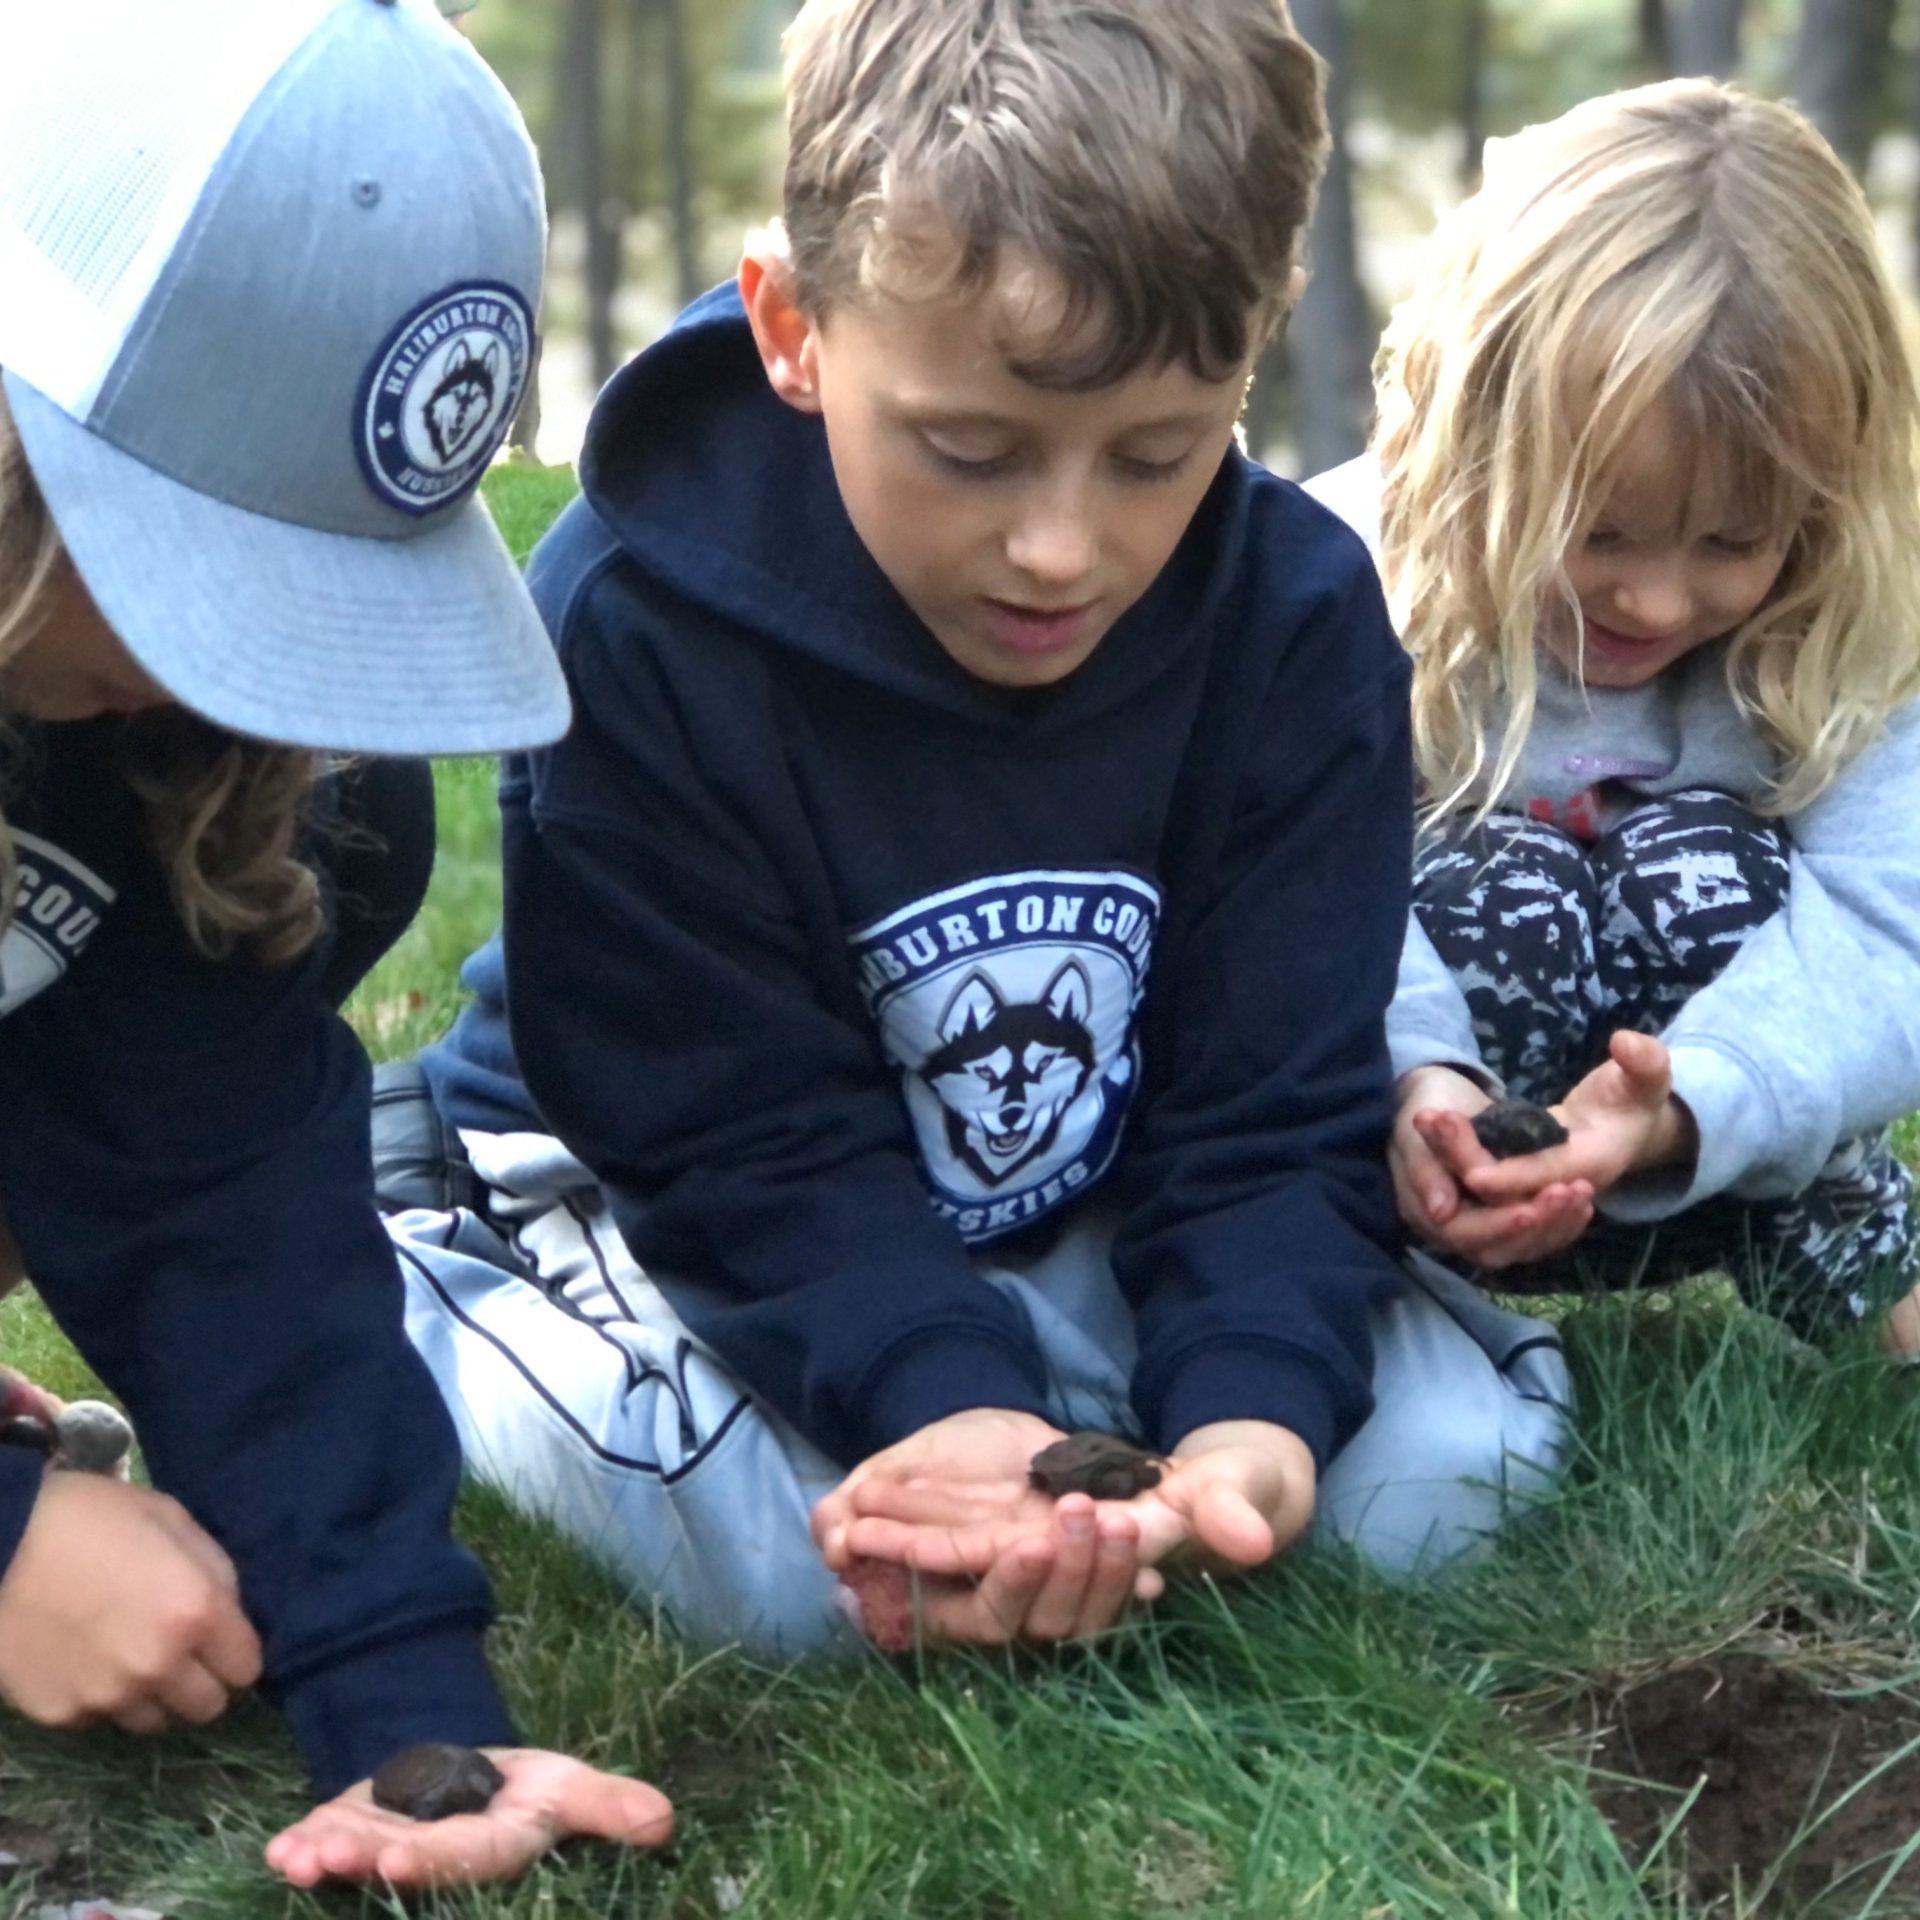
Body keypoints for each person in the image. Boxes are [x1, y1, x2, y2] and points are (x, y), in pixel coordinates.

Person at [380, 0, 1569, 1659]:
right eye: (971, 452)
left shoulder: (1299, 621)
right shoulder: (637, 622)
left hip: (1075, 1172)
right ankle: (414, 1277)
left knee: (1448, 1480)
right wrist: (946, 1411)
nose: (1061, 549)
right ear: (793, 330)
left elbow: (1272, 1104)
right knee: (798, 1591)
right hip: (676, 1172)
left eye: (1157, 454)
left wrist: (1248, 1430)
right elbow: (735, 1144)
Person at [0, 0, 672, 1891]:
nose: (260, 683)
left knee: (333, 840)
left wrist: (403, 1716)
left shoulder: (185, 756)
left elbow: (217, 1213)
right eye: (216, 566)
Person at [1305, 80, 1920, 1349]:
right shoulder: (1329, 577)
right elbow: (1290, 886)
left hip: (1718, 1127)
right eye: (1597, 533)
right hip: (1404, 1131)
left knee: (1703, 871)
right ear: (1473, 441)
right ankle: (1390, 1313)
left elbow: (1892, 926)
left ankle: (1861, 1275)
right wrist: (1421, 1077)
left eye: (1734, 541)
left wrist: (1689, 1099)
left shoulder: (1854, 621)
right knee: (1505, 883)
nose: (1655, 598)